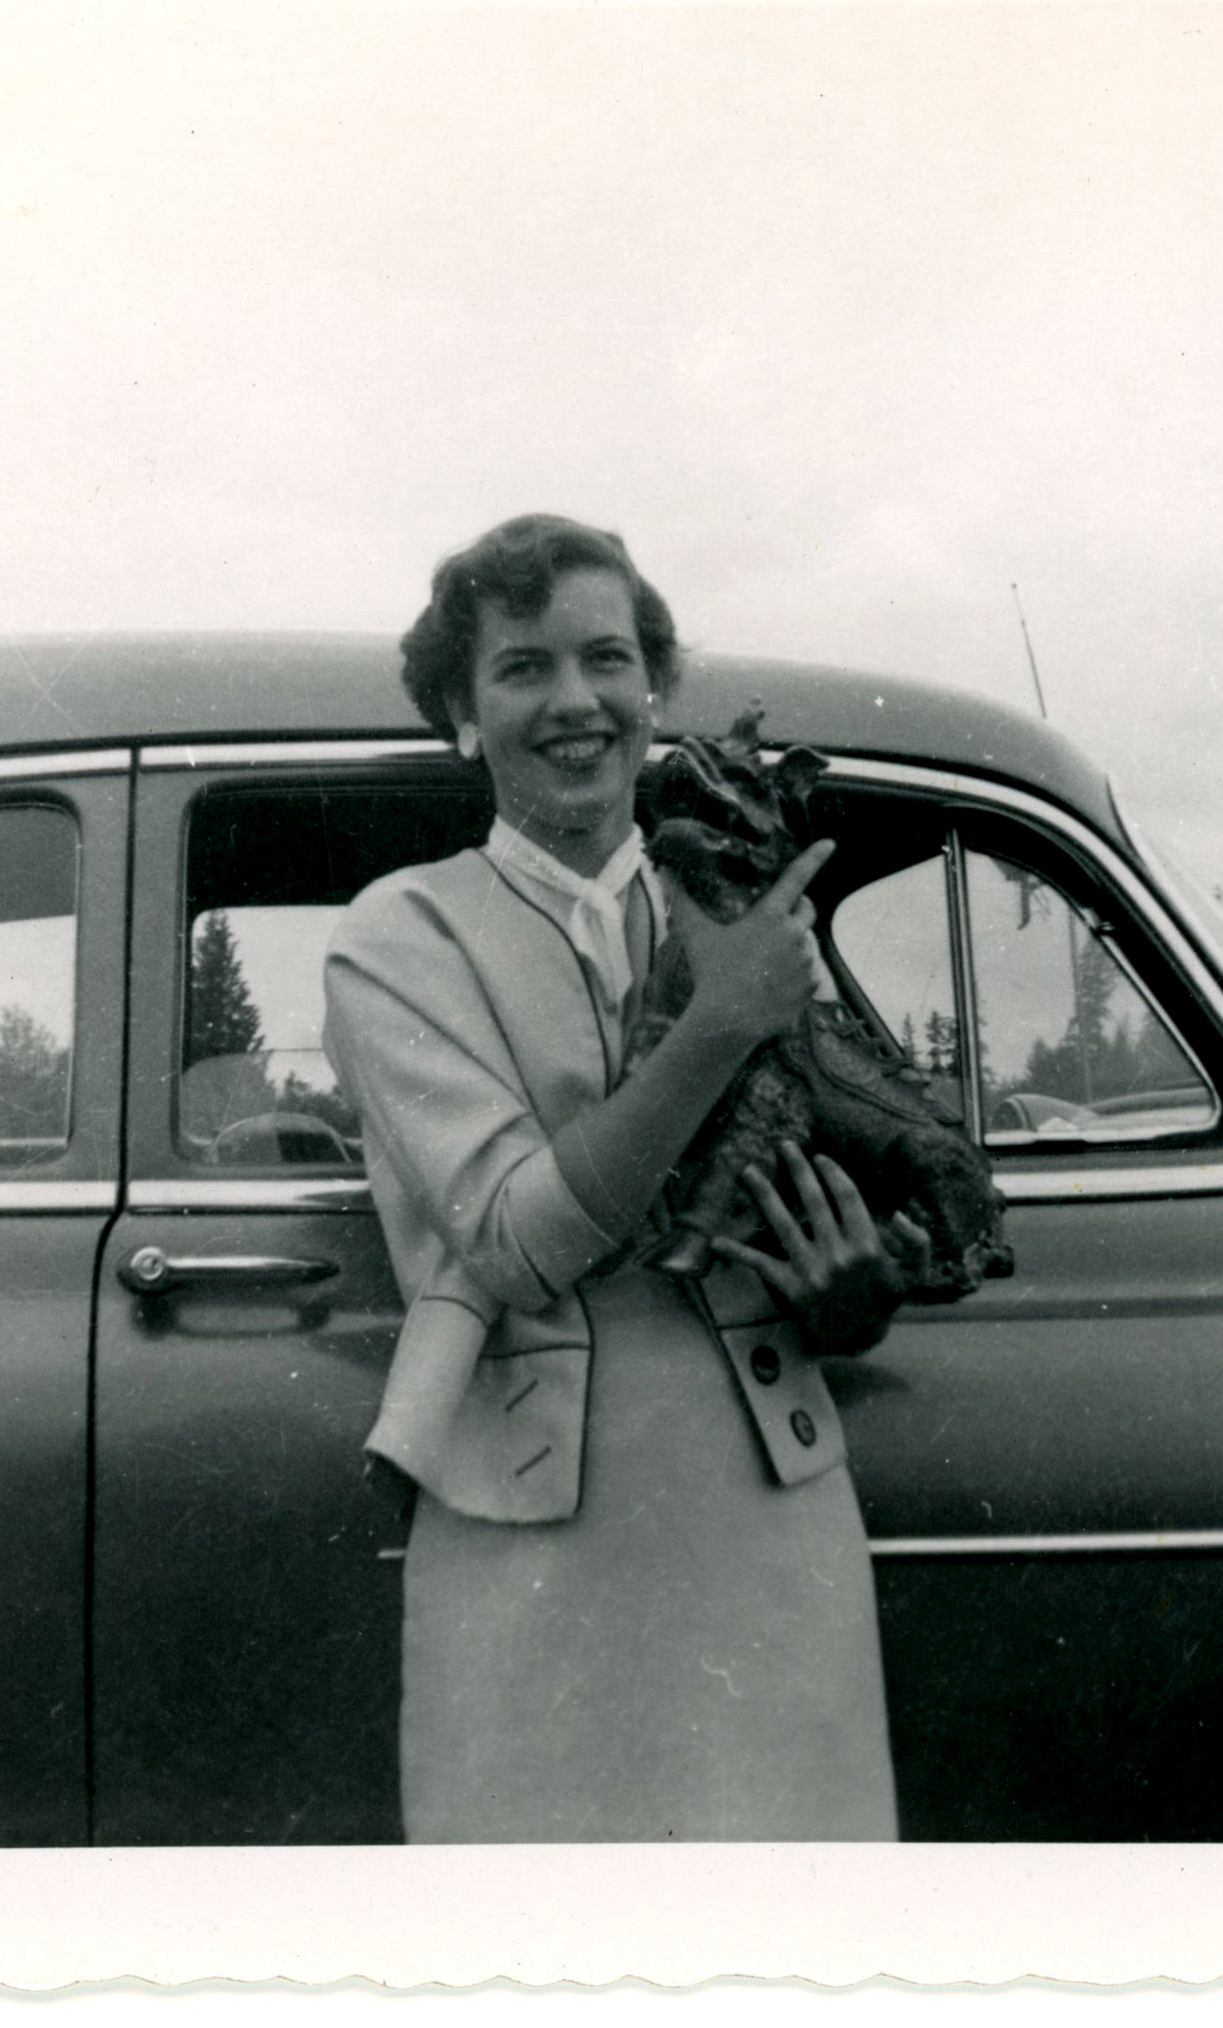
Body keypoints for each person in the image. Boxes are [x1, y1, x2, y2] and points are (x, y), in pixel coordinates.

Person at [322, 513, 935, 1844]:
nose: (576, 699)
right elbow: (512, 1240)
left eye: (609, 658)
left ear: (654, 692)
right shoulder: (397, 937)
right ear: (461, 717)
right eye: (522, 667)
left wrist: (854, 1293)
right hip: (534, 1542)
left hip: (772, 1518)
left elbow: (829, 1191)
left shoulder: (741, 905)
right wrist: (721, 1022)